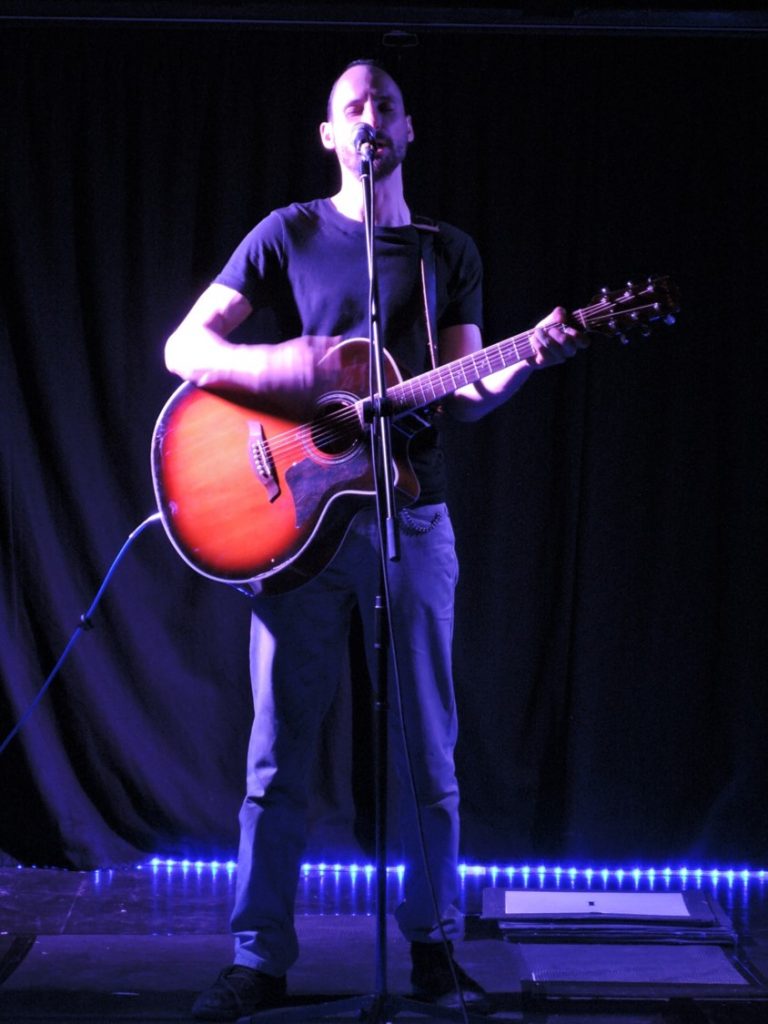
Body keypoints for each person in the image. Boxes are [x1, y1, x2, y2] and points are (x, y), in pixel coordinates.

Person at [165, 58, 587, 1022]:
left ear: (408, 128)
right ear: (329, 133)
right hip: (297, 525)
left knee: (428, 750)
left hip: (411, 518)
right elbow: (184, 350)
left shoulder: (446, 252)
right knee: (278, 752)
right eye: (352, 105)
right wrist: (301, 364)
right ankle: (257, 957)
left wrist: (530, 356)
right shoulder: (289, 235)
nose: (370, 116)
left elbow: (464, 387)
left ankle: (433, 948)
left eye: (386, 104)